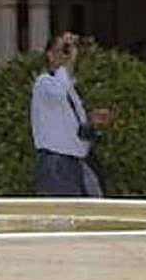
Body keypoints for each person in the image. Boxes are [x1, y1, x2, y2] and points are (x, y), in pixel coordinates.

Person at [31, 32, 111, 197]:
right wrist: (67, 64)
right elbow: (58, 93)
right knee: (64, 214)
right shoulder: (44, 82)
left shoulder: (69, 87)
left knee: (90, 207)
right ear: (50, 55)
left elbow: (68, 124)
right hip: (57, 162)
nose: (66, 55)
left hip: (77, 160)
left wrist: (91, 120)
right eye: (62, 50)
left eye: (68, 50)